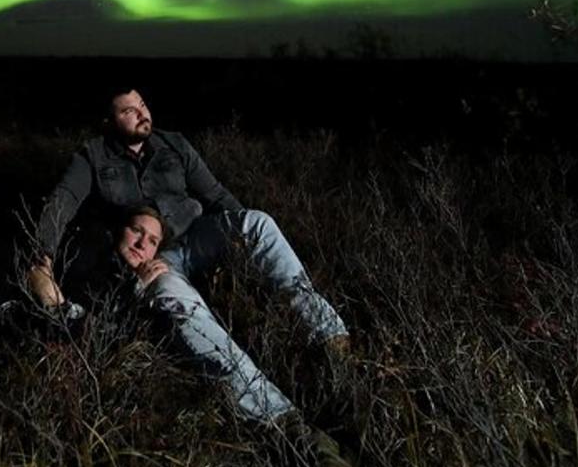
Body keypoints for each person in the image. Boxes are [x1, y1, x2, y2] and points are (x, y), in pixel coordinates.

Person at [26, 87, 352, 423]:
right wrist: (43, 255)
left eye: (142, 105)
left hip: (193, 237)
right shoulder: (92, 156)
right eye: (128, 111)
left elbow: (215, 194)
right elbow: (61, 202)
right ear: (109, 122)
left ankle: (331, 340)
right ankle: (279, 417)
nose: (141, 114)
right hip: (152, 257)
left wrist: (239, 239)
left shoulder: (174, 144)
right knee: (183, 308)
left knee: (258, 223)